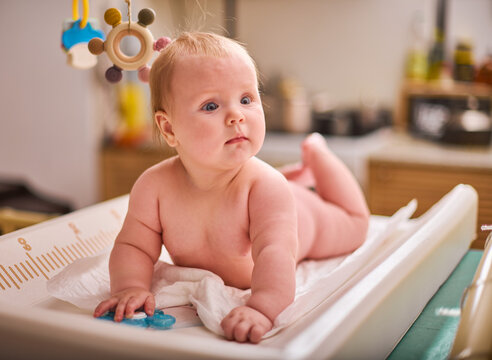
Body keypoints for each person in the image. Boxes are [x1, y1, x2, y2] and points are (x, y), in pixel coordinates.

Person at [93, 32, 369, 343]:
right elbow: (134, 246)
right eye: (211, 106)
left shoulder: (265, 187)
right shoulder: (153, 187)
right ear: (169, 128)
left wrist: (262, 308)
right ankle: (302, 171)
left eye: (247, 99)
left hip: (304, 218)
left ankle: (316, 152)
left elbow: (275, 253)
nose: (237, 115)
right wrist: (130, 286)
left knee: (356, 223)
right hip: (276, 195)